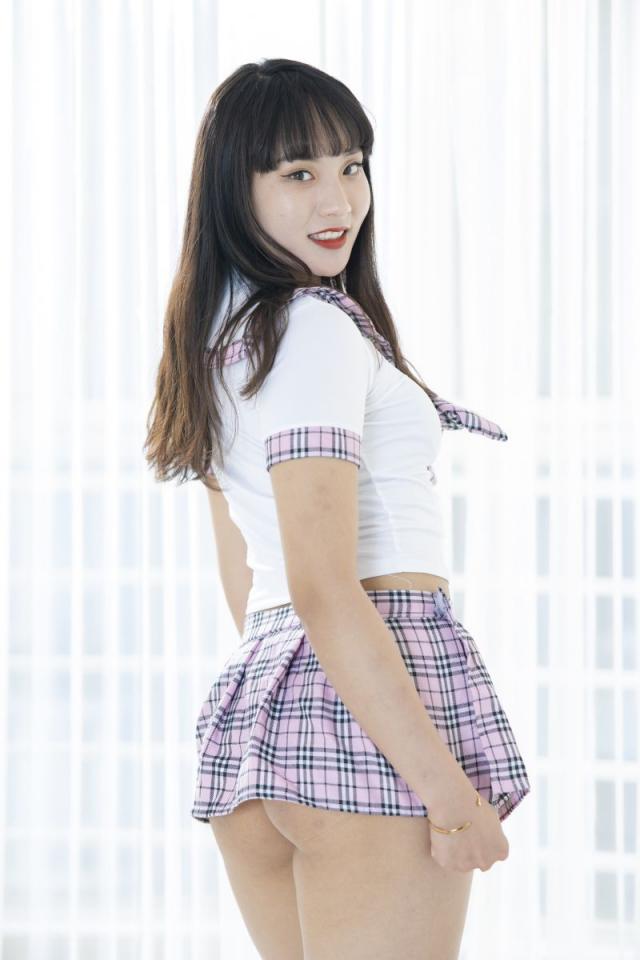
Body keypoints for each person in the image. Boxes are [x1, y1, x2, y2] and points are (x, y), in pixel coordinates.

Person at [144, 57, 531, 960]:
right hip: (365, 687)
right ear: (235, 192)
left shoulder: (221, 342)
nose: (339, 199)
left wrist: (305, 701)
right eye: (298, 173)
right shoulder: (312, 326)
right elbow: (323, 585)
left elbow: (255, 579)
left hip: (265, 707)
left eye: (352, 165)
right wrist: (448, 796)